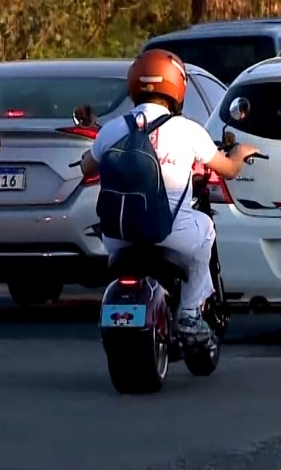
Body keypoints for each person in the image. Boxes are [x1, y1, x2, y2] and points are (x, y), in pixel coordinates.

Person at [79, 49, 258, 336]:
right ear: (177, 86)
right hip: (170, 233)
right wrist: (239, 153)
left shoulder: (112, 130)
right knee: (206, 229)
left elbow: (87, 167)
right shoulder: (188, 131)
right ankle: (189, 313)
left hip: (118, 238)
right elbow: (227, 169)